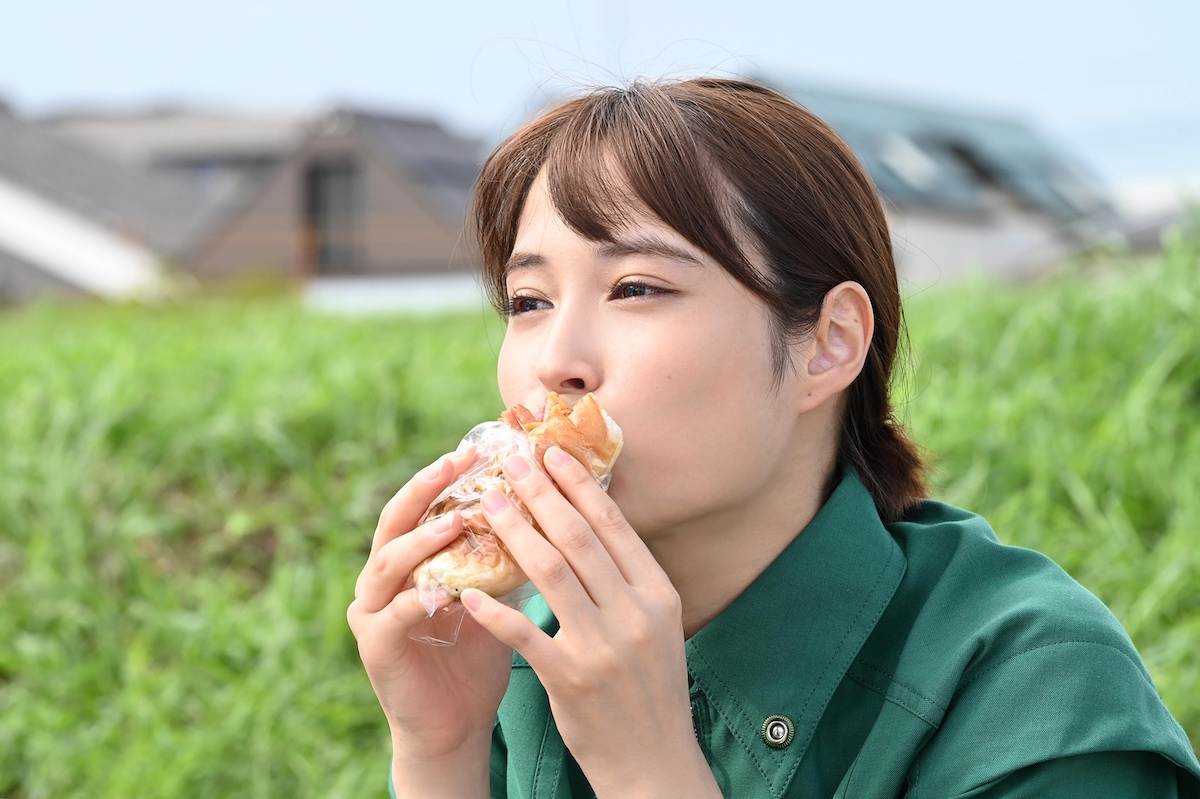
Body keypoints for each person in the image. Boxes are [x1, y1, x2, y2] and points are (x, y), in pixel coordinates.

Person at [347, 77, 1200, 798]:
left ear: (829, 342)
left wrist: (652, 772)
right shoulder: (514, 652)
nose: (557, 363)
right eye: (529, 302)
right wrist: (441, 752)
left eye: (636, 287)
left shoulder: (1036, 695)